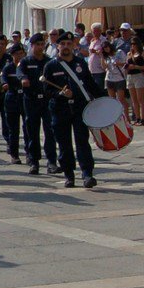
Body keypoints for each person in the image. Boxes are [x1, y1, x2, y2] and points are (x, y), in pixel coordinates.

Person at [42, 33, 99, 188]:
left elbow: (90, 84)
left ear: (73, 45)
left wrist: (105, 98)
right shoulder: (51, 66)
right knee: (64, 144)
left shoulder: (80, 63)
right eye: (63, 44)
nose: (66, 46)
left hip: (79, 108)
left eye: (69, 43)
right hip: (60, 110)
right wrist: (60, 94)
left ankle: (87, 174)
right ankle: (69, 175)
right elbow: (46, 90)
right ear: (58, 46)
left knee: (82, 142)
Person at [19, 34, 58, 174]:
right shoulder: (26, 61)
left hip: (47, 101)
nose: (40, 47)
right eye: (37, 44)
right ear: (32, 45)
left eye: (42, 44)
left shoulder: (49, 61)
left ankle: (52, 162)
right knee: (32, 132)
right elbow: (20, 72)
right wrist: (23, 78)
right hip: (31, 100)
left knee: (50, 131)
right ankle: (34, 161)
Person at [1, 42, 28, 164]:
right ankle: (14, 154)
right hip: (12, 99)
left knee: (28, 128)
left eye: (22, 54)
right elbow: (4, 80)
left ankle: (29, 153)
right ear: (12, 55)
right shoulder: (8, 68)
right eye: (17, 54)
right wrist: (4, 84)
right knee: (13, 130)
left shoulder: (26, 66)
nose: (20, 56)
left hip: (25, 99)